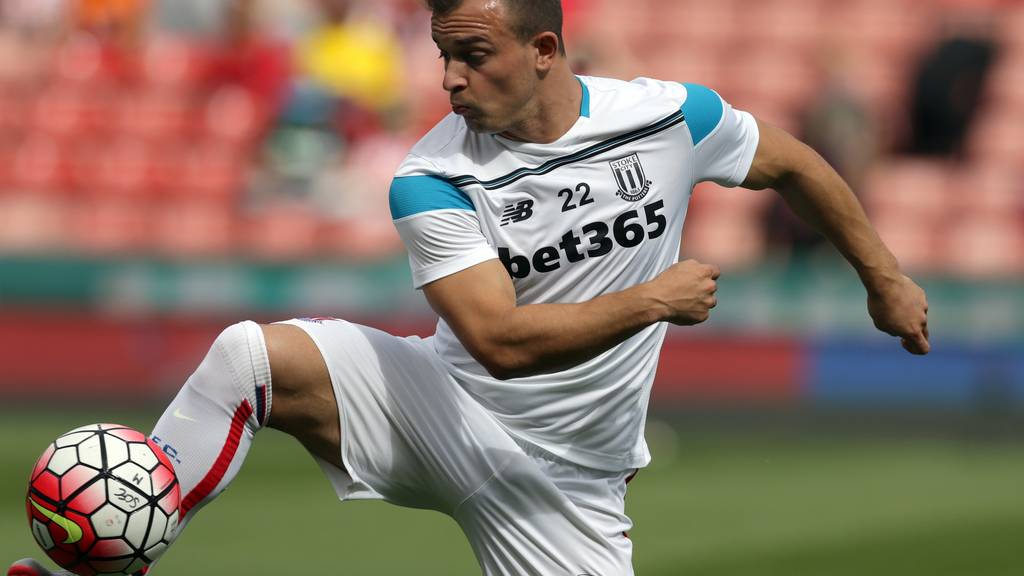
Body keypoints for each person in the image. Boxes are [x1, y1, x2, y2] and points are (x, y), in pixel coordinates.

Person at [9, 0, 930, 574]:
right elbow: (499, 341)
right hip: (447, 407)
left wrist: (883, 280)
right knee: (249, 354)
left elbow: (797, 163)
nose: (447, 77)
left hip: (567, 486)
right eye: (441, 52)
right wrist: (654, 298)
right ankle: (107, 562)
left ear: (542, 47)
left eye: (472, 54)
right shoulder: (430, 176)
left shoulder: (667, 116)